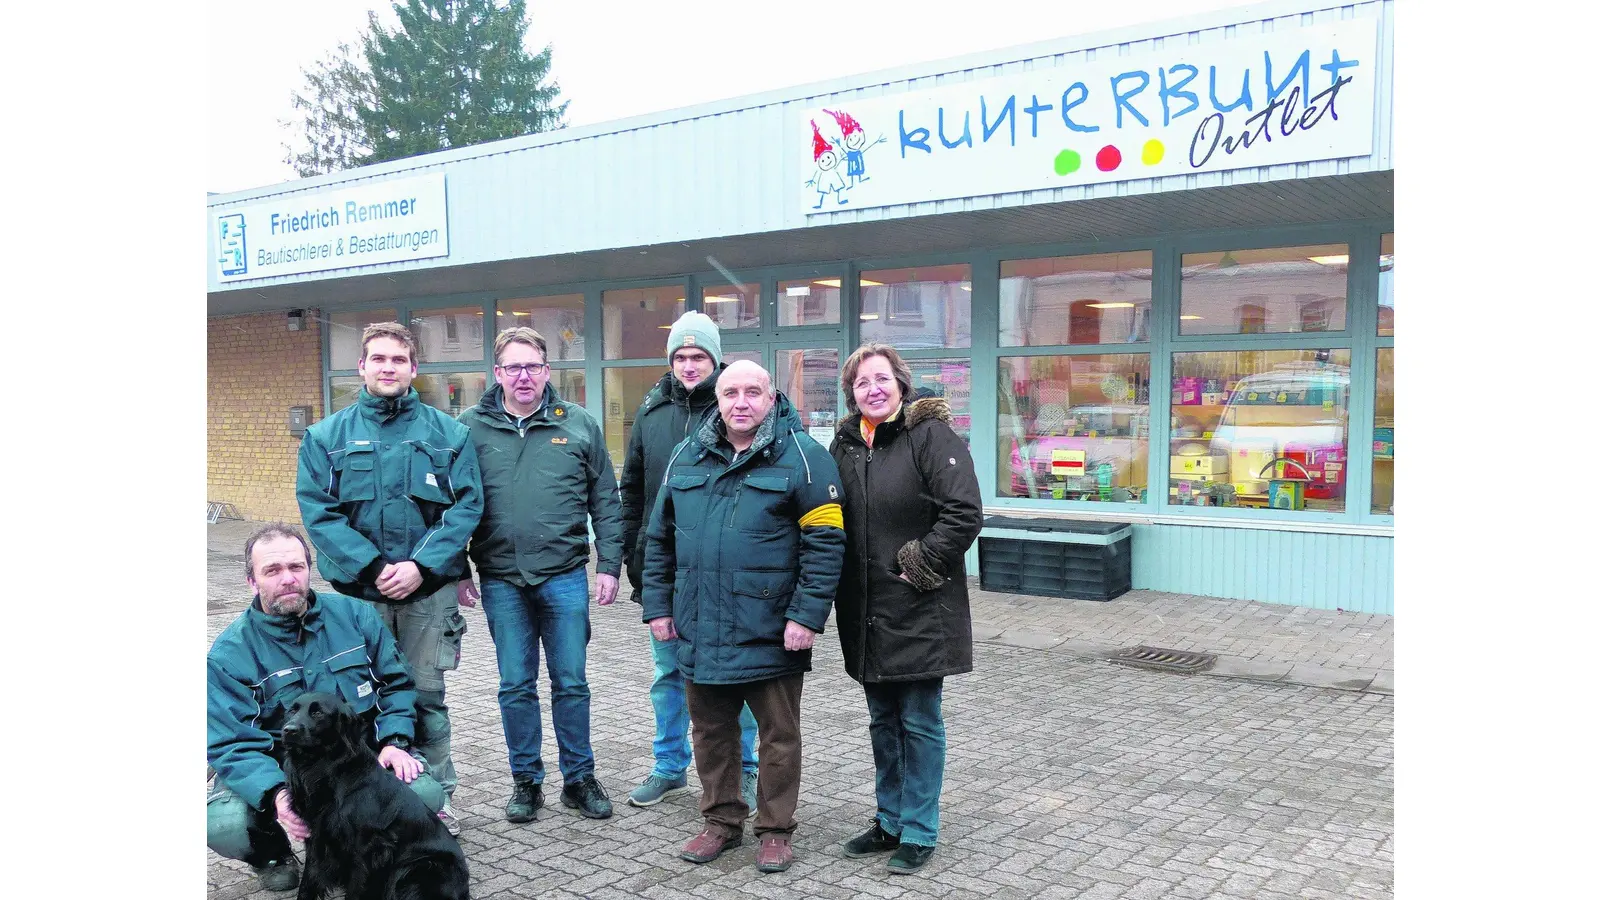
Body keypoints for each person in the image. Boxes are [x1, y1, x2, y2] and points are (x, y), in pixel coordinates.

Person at [640, 360, 846, 875]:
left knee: (779, 736)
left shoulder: (805, 457)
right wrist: (658, 607)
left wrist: (807, 616)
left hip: (771, 626)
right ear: (718, 398)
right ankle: (720, 823)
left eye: (753, 392)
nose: (741, 402)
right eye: (731, 392)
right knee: (710, 732)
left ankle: (775, 830)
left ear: (772, 398)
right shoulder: (687, 454)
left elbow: (826, 544)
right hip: (698, 621)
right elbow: (659, 538)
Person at [295, 321, 483, 836]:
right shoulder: (325, 438)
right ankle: (358, 804)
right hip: (358, 597)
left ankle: (436, 799)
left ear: (414, 369)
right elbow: (319, 514)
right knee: (356, 699)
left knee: (427, 698)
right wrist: (376, 568)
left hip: (428, 594)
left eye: (398, 360)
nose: (388, 368)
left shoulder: (450, 434)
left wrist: (419, 566)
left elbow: (466, 508)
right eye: (378, 359)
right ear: (362, 366)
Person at [207, 524, 446, 893]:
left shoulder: (356, 616)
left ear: (308, 568)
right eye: (272, 571)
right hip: (282, 768)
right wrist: (276, 795)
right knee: (223, 823)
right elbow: (230, 742)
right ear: (251, 581)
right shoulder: (229, 655)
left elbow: (396, 684)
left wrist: (395, 741)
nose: (288, 579)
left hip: (355, 760)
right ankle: (273, 854)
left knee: (424, 793)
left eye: (296, 567)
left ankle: (381, 856)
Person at [456, 326, 624, 823]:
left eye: (532, 366)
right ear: (497, 373)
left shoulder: (578, 425)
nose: (523, 376)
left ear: (548, 372)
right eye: (513, 367)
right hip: (501, 579)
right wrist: (456, 569)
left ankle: (579, 779)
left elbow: (607, 502)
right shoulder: (468, 428)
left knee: (571, 682)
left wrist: (609, 565)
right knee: (514, 684)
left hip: (565, 576)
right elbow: (450, 504)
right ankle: (526, 782)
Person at [827, 342, 983, 874]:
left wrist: (920, 561)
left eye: (881, 379)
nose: (873, 388)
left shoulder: (930, 435)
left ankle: (919, 828)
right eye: (861, 382)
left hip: (918, 608)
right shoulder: (845, 445)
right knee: (881, 720)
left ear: (900, 383)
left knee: (918, 720)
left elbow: (963, 512)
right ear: (851, 393)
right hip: (865, 609)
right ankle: (888, 819)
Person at [617, 311, 760, 810]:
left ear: (716, 360)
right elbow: (631, 491)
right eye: (681, 356)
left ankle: (745, 767)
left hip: (727, 574)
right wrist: (630, 558)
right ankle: (668, 766)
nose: (689, 365)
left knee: (734, 677)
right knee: (668, 676)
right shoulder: (652, 412)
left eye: (699, 356)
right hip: (666, 575)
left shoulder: (738, 409)